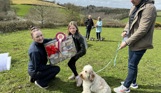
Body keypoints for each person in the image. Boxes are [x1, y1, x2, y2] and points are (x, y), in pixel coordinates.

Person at [113, 0, 156, 93]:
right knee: (132, 63)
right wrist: (125, 30)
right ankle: (133, 83)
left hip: (141, 42)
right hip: (133, 41)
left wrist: (127, 42)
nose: (131, 0)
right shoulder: (134, 6)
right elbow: (130, 21)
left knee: (132, 64)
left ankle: (125, 87)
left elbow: (143, 29)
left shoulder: (149, 8)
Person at [67, 21, 86, 87]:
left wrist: (76, 55)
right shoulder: (70, 35)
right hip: (72, 53)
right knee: (73, 63)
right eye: (70, 28)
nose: (72, 30)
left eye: (73, 28)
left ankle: (78, 77)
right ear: (69, 29)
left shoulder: (79, 37)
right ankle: (74, 73)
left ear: (76, 28)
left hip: (78, 53)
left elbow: (83, 50)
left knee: (69, 63)